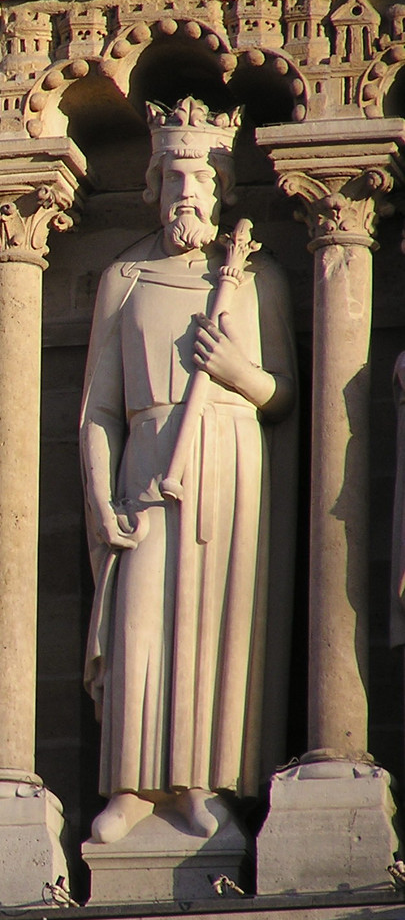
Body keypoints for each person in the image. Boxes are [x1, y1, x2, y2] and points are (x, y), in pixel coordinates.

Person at [80, 97, 296, 844]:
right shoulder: (126, 276)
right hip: (148, 458)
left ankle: (202, 785)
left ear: (221, 187)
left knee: (213, 622)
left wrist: (237, 370)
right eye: (172, 176)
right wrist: (100, 498)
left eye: (199, 177)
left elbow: (282, 393)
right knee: (140, 622)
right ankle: (130, 786)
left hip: (228, 461)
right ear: (153, 185)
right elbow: (98, 408)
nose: (185, 192)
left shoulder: (255, 278)